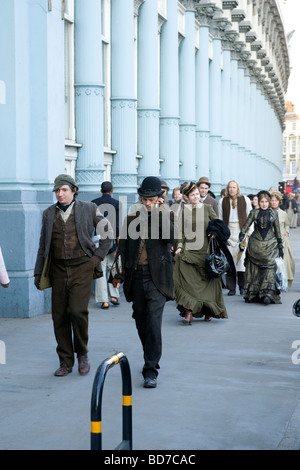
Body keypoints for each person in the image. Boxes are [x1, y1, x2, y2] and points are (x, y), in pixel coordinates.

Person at [34, 174, 112, 377]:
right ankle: (65, 361)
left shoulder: (88, 208)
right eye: (57, 191)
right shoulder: (48, 213)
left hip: (81, 268)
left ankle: (82, 354)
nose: (60, 194)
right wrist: (38, 273)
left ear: (73, 190)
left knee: (78, 312)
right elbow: (43, 245)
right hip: (58, 269)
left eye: (64, 190)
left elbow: (107, 231)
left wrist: (96, 258)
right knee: (59, 316)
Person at [111, 176, 175, 388]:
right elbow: (124, 247)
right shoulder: (132, 217)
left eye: (152, 199)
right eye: (145, 199)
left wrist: (159, 213)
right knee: (141, 321)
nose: (147, 203)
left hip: (157, 278)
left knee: (154, 323)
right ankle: (150, 355)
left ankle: (151, 369)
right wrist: (118, 274)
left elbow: (171, 238)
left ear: (159, 198)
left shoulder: (166, 214)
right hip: (136, 276)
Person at [173, 182, 231, 324]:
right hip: (189, 251)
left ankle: (208, 310)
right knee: (185, 280)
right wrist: (179, 246)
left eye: (197, 194)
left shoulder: (207, 208)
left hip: (206, 251)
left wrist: (215, 232)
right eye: (192, 195)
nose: (196, 197)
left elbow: (218, 224)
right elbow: (180, 231)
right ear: (186, 197)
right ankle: (189, 311)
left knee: (208, 283)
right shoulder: (183, 210)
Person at [239, 191, 283, 305]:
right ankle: (253, 293)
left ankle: (267, 293)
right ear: (258, 202)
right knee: (254, 269)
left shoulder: (274, 213)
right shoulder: (254, 212)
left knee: (270, 267)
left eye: (266, 202)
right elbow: (246, 224)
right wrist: (242, 233)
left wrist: (280, 245)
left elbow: (277, 230)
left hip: (271, 245)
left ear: (269, 202)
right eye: (262, 202)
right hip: (255, 245)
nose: (264, 204)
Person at [218, 180, 252, 296]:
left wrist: (249, 233)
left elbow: (250, 216)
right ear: (227, 189)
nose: (232, 189)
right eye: (230, 187)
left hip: (241, 231)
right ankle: (231, 288)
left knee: (241, 261)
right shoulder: (222, 201)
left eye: (234, 187)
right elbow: (220, 218)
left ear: (238, 189)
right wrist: (222, 235)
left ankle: (242, 286)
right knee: (230, 261)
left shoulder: (245, 200)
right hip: (229, 232)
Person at [92, 181, 121, 309]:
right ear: (112, 190)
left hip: (99, 240)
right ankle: (114, 295)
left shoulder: (93, 203)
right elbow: (118, 227)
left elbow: (89, 224)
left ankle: (104, 300)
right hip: (113, 240)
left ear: (100, 190)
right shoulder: (117, 204)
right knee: (113, 267)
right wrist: (119, 247)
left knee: (101, 269)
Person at [270, 191, 295, 287]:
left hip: (283, 240)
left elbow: (287, 224)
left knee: (284, 262)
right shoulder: (267, 212)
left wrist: (287, 232)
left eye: (275, 201)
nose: (273, 202)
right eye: (272, 200)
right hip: (270, 240)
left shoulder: (283, 213)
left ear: (279, 202)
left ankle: (282, 282)